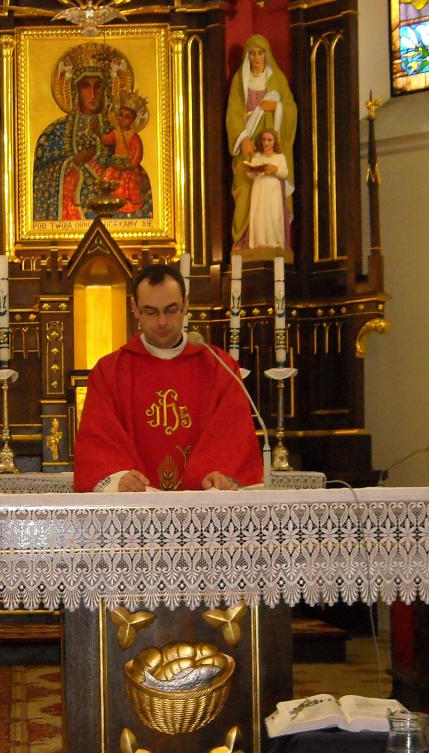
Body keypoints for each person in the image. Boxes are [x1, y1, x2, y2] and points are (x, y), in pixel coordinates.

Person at [73, 264, 263, 493]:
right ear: (134, 308)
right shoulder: (109, 372)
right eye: (151, 311)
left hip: (203, 508)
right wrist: (119, 479)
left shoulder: (219, 367)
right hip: (136, 510)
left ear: (185, 305)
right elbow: (98, 444)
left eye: (171, 310)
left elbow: (233, 437)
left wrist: (219, 476)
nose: (162, 321)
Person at [33, 44, 138, 222]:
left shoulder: (119, 131)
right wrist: (73, 163)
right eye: (85, 86)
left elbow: (133, 168)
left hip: (112, 209)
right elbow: (37, 179)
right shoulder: (55, 132)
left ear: (106, 91)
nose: (93, 93)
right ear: (75, 90)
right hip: (68, 212)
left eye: (98, 86)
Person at [226, 34, 296, 255]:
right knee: (245, 193)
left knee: (271, 193)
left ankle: (273, 242)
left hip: (270, 145)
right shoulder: (240, 80)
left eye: (260, 53)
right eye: (252, 54)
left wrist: (277, 108)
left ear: (267, 55)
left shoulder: (276, 79)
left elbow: (291, 109)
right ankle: (244, 242)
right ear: (247, 57)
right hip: (248, 145)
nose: (256, 58)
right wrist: (243, 138)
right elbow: (233, 113)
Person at [98, 92, 152, 217]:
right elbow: (107, 141)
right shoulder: (116, 133)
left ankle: (126, 204)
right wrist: (99, 133)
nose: (122, 119)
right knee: (108, 179)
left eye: (127, 117)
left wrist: (130, 165)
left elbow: (137, 153)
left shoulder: (133, 136)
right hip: (115, 165)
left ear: (133, 120)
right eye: (121, 115)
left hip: (129, 167)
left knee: (128, 185)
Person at [243, 129, 290, 251]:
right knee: (259, 215)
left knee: (273, 215)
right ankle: (259, 243)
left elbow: (284, 173)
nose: (266, 143)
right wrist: (249, 170)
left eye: (269, 140)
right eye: (264, 140)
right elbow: (252, 175)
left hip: (273, 190)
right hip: (259, 188)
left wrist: (275, 169)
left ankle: (275, 243)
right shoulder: (257, 157)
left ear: (274, 142)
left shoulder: (279, 157)